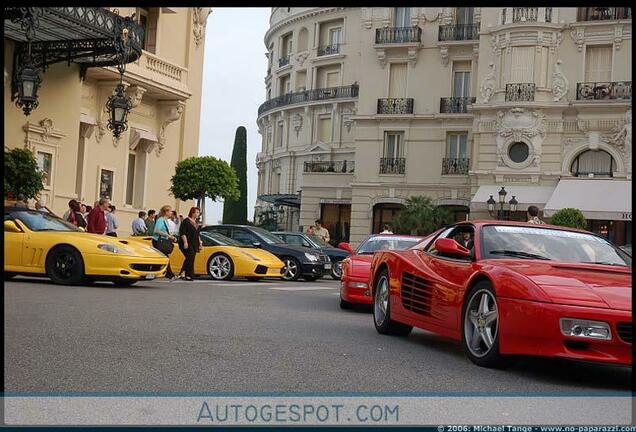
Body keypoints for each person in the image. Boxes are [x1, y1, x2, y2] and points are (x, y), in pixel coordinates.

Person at [177, 207, 203, 281]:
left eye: (199, 212)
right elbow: (183, 233)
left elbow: (197, 234)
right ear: (192, 213)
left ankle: (185, 272)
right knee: (190, 256)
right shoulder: (186, 221)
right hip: (186, 242)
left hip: (194, 243)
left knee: (191, 258)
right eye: (197, 212)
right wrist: (185, 242)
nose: (198, 214)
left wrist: (200, 243)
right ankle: (187, 274)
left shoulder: (196, 222)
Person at [153, 205, 177, 280]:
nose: (171, 212)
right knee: (164, 257)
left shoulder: (165, 220)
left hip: (163, 240)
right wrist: (168, 236)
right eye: (170, 211)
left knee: (163, 257)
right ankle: (169, 274)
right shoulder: (161, 220)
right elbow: (157, 230)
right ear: (166, 212)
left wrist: (171, 237)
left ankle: (168, 273)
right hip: (158, 241)